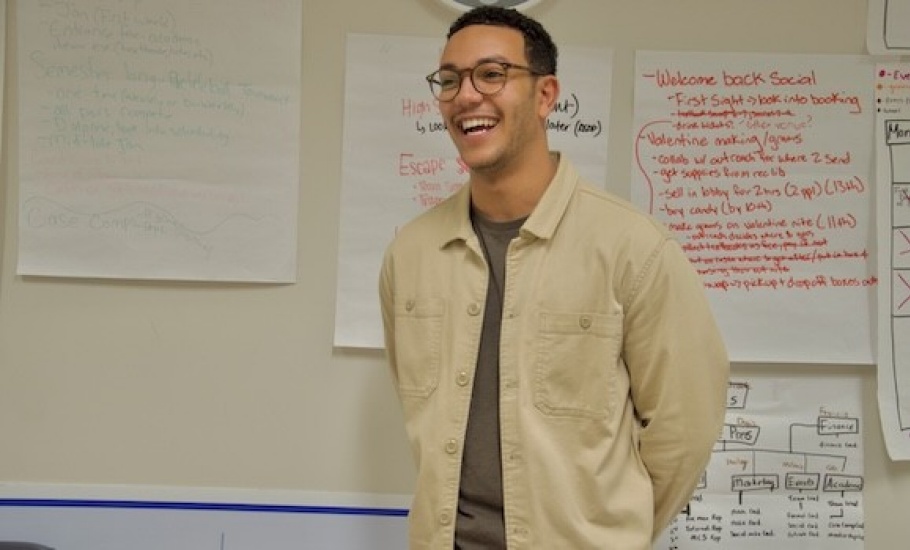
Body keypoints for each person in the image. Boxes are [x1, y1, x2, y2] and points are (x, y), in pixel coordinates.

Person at [379, 6, 729, 549]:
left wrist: (608, 532)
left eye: (492, 75)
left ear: (546, 95)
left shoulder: (633, 249)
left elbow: (685, 434)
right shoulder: (411, 253)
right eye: (450, 80)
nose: (466, 96)